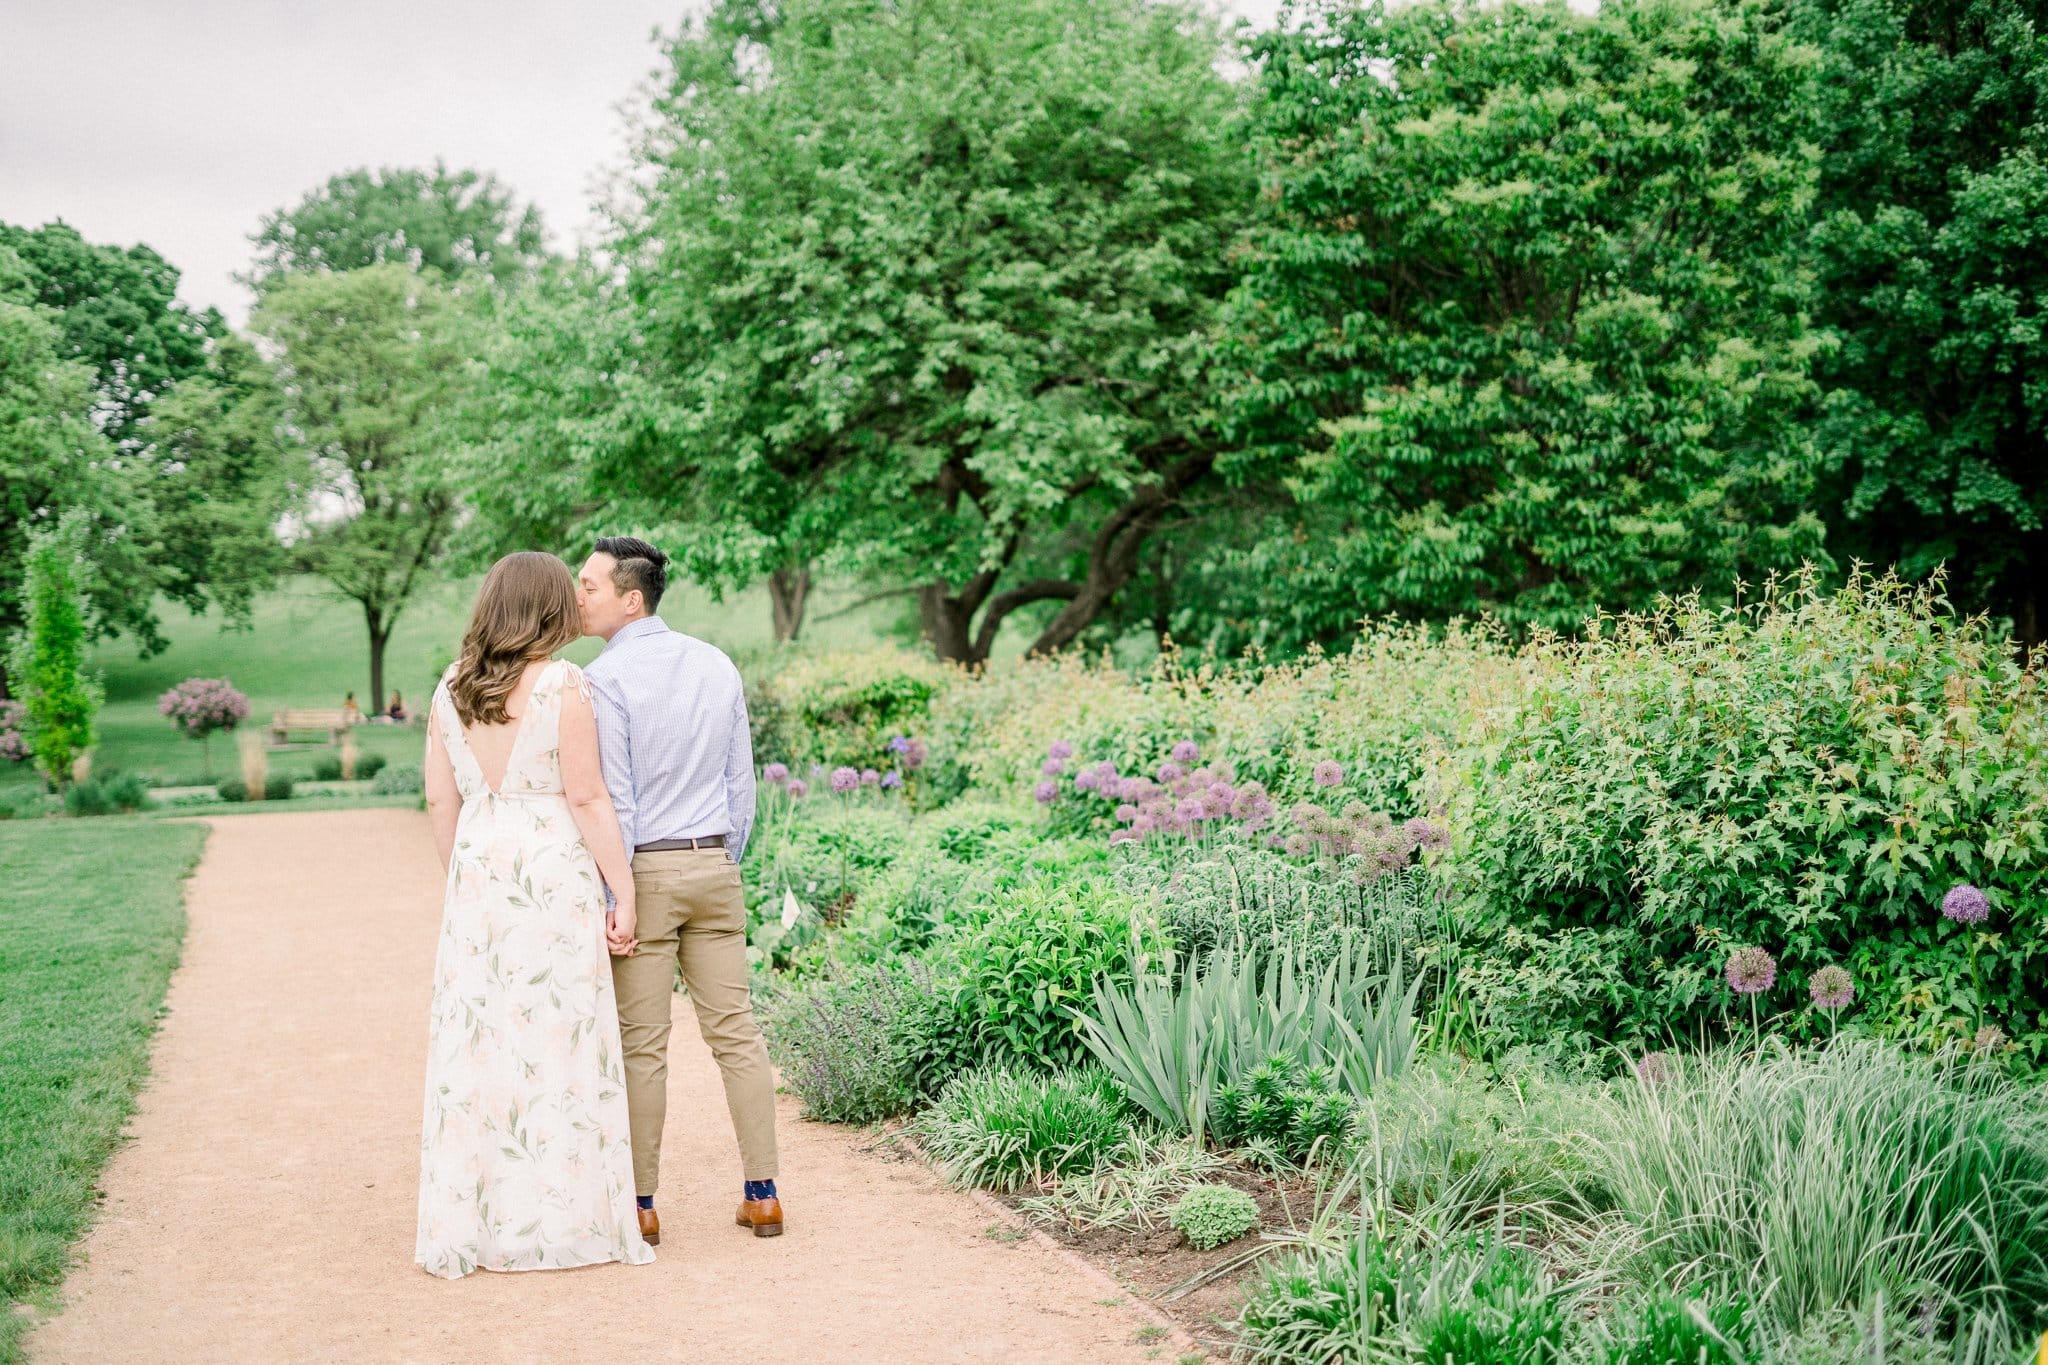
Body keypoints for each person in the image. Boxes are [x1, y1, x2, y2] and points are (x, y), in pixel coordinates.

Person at [414, 551, 653, 1279]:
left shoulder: (449, 689)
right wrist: (624, 889)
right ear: (546, 610)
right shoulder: (561, 683)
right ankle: (562, 1217)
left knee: (482, 1043)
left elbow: (439, 800)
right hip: (551, 874)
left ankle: (481, 1225)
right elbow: (586, 796)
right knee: (557, 1039)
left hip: (480, 871)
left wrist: (467, 874)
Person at [577, 536, 781, 1246]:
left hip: (649, 871)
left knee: (643, 1047)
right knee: (738, 1035)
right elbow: (742, 784)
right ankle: (764, 1194)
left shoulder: (601, 680)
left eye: (590, 585)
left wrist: (617, 894)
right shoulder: (715, 662)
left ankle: (641, 1205)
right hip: (715, 866)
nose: (579, 596)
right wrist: (726, 858)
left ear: (631, 598)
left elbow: (619, 801)